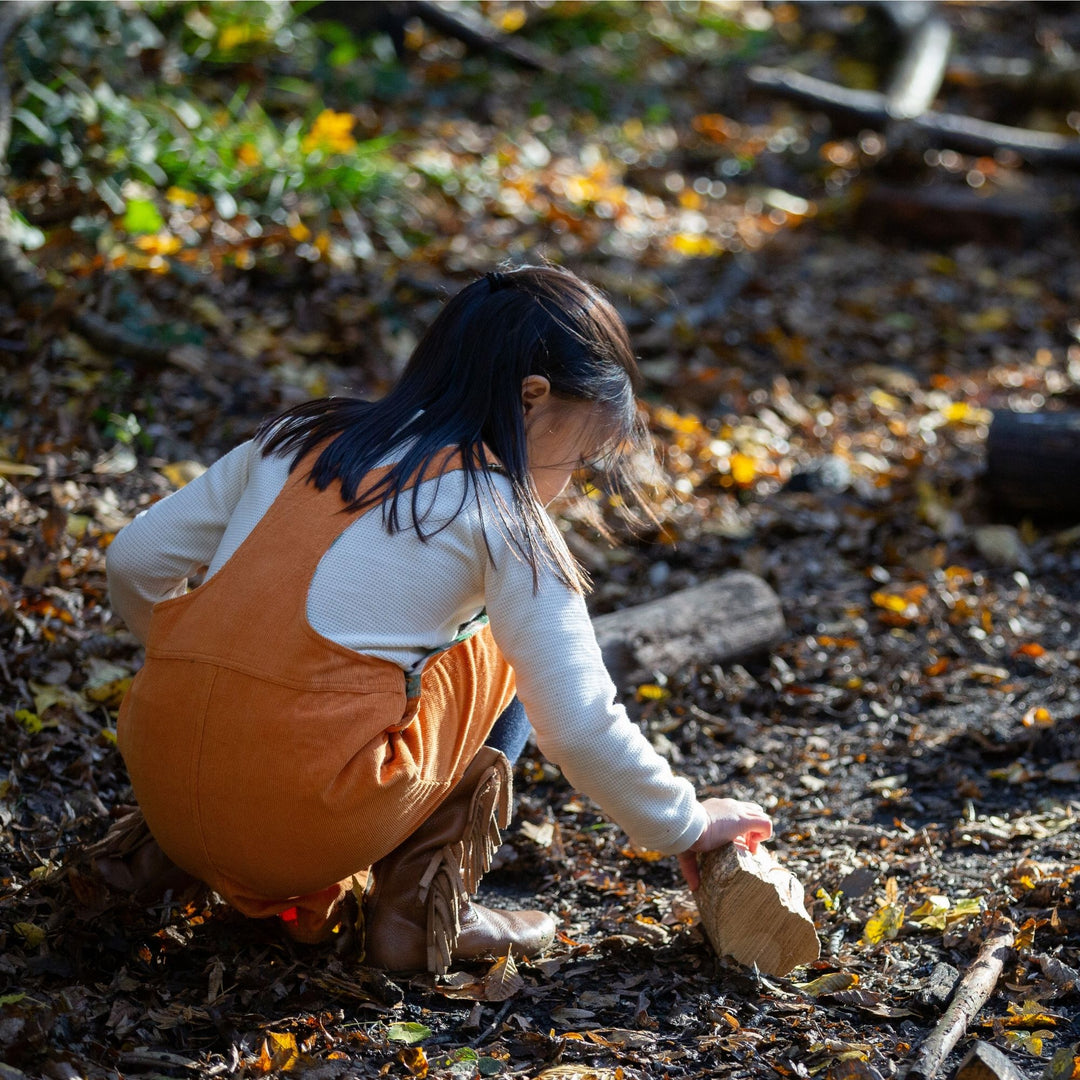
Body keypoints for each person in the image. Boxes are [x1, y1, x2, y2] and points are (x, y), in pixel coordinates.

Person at [105, 264, 772, 974]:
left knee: (252, 638)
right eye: (577, 454)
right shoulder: (501, 516)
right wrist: (688, 824)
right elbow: (577, 724)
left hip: (160, 776)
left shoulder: (296, 437)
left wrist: (219, 681)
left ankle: (138, 859)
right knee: (504, 644)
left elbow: (132, 562)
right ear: (532, 398)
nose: (570, 482)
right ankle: (420, 911)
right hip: (302, 821)